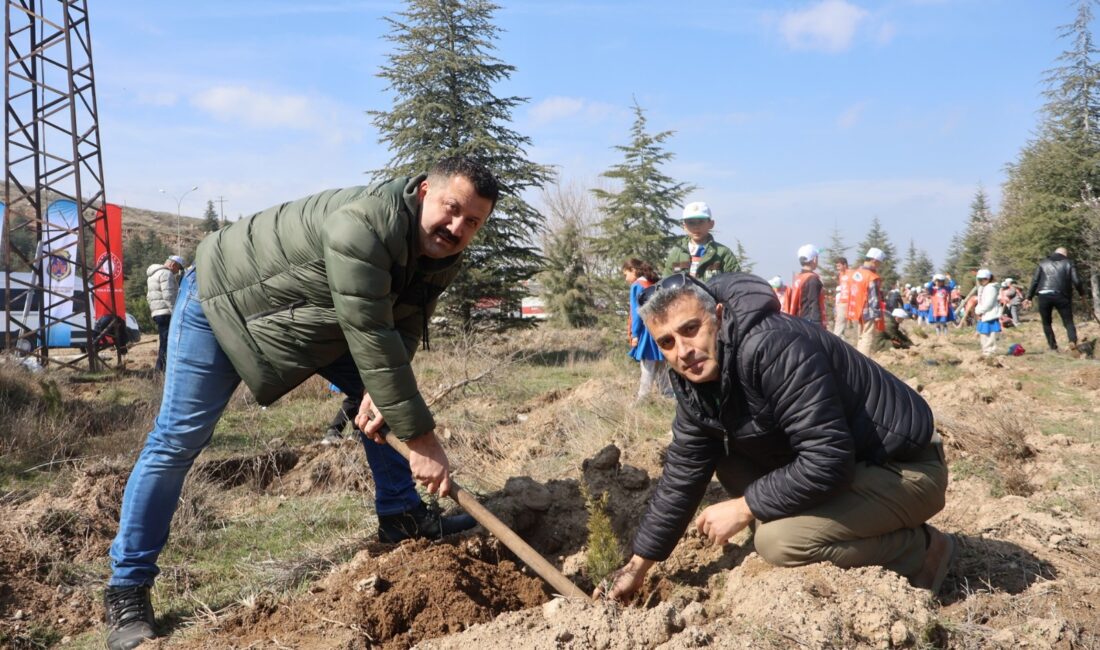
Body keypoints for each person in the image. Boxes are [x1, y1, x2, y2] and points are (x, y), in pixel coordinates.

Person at [103, 157, 495, 649]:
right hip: (223, 303)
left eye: (473, 221)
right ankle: (128, 587)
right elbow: (372, 331)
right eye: (452, 209)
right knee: (178, 439)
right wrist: (421, 440)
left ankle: (402, 516)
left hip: (310, 319)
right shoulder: (363, 224)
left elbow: (406, 322)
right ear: (423, 192)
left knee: (378, 399)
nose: (457, 227)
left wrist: (382, 394)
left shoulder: (440, 250)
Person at [596, 272, 951, 602]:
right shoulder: (695, 381)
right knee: (731, 463)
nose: (683, 350)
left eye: (691, 328)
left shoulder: (774, 347)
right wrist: (635, 568)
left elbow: (828, 459)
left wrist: (744, 506)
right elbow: (681, 475)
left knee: (778, 543)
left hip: (904, 467)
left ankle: (921, 551)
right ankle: (831, 527)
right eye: (667, 342)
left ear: (718, 316)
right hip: (853, 464)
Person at [623, 258, 673, 402]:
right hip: (660, 329)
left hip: (646, 332)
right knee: (661, 363)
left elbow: (637, 312)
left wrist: (635, 334)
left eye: (626, 274)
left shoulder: (637, 286)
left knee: (647, 365)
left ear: (633, 270)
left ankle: (642, 398)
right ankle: (667, 394)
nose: (626, 279)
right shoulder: (654, 283)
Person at [1026, 246, 1087, 352]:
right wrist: (1082, 294)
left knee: (1046, 322)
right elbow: (1076, 280)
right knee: (1068, 321)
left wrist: (1029, 297)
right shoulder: (1069, 263)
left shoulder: (1043, 263)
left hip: (1043, 295)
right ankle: (1072, 341)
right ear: (1065, 254)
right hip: (1061, 295)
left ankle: (1053, 347)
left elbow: (1035, 281)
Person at [662, 201, 740, 280]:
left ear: (711, 224)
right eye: (691, 222)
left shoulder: (723, 254)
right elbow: (665, 284)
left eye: (701, 222)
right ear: (684, 226)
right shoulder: (676, 254)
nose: (696, 227)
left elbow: (735, 284)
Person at [145, 255, 185, 372]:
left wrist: (154, 311)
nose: (177, 272)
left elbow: (148, 297)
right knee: (167, 342)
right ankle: (161, 370)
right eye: (178, 268)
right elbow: (168, 295)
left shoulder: (152, 275)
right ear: (173, 265)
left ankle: (161, 369)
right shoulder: (166, 274)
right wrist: (175, 312)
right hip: (166, 313)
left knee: (164, 341)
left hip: (158, 313)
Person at [845, 247, 887, 357]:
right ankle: (864, 361)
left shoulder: (855, 274)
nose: (879, 266)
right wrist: (877, 313)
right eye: (879, 263)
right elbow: (873, 297)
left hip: (855, 310)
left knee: (859, 336)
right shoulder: (871, 277)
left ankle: (857, 358)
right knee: (867, 336)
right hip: (868, 311)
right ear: (874, 260)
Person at [781, 244, 826, 328]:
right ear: (814, 259)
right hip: (810, 321)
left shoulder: (799, 278)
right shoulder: (812, 279)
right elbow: (813, 303)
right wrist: (818, 325)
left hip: (799, 319)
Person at [973, 269, 1002, 357]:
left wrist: (980, 310)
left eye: (984, 279)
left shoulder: (991, 288)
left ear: (988, 279)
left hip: (990, 315)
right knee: (983, 334)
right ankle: (985, 351)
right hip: (984, 315)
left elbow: (988, 303)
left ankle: (990, 352)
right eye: (980, 279)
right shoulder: (983, 288)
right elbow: (981, 301)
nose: (982, 281)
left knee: (991, 336)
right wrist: (978, 310)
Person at [832, 257, 852, 337]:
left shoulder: (851, 273)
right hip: (842, 302)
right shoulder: (840, 275)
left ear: (845, 265)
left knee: (850, 326)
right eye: (837, 266)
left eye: (839, 266)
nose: (838, 268)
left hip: (850, 302)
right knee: (839, 325)